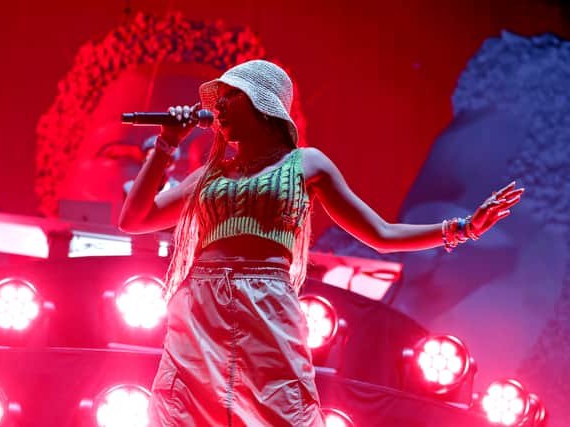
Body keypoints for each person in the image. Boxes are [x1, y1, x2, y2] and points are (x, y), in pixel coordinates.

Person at [118, 59, 523, 426]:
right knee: (183, 412)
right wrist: (166, 145)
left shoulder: (306, 164)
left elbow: (380, 234)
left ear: (263, 104)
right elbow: (134, 219)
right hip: (199, 306)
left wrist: (462, 228)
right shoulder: (210, 175)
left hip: (265, 304)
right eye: (217, 98)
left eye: (231, 96)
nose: (218, 106)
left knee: (280, 410)